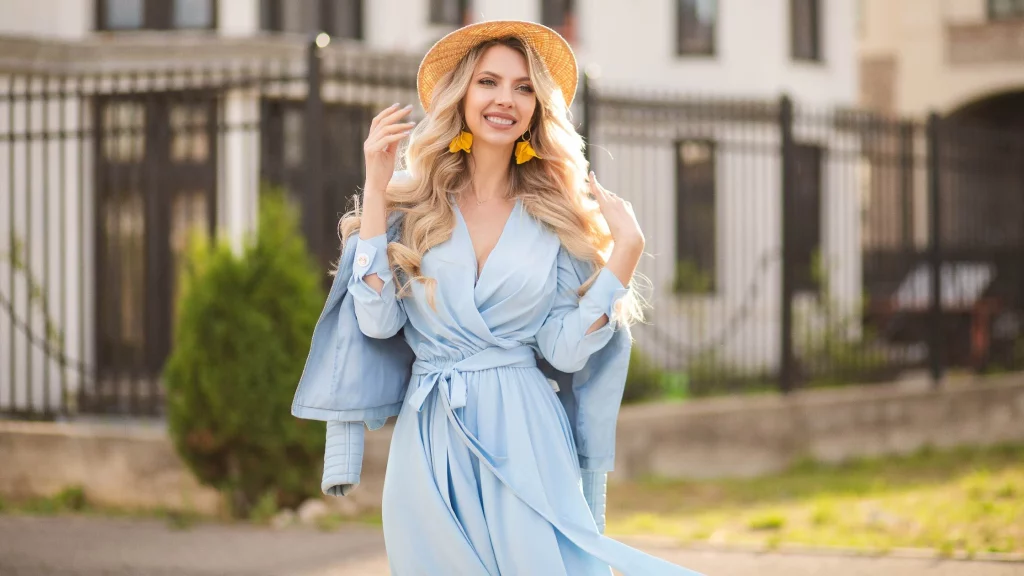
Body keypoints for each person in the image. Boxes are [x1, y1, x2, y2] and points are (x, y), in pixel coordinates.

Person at [318, 20, 705, 576]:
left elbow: (566, 351)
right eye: (488, 82)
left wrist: (626, 252)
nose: (506, 99)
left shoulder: (553, 219)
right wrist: (376, 191)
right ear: (462, 95)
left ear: (537, 110)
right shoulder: (412, 210)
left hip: (527, 435)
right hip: (431, 438)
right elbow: (376, 322)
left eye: (524, 87)